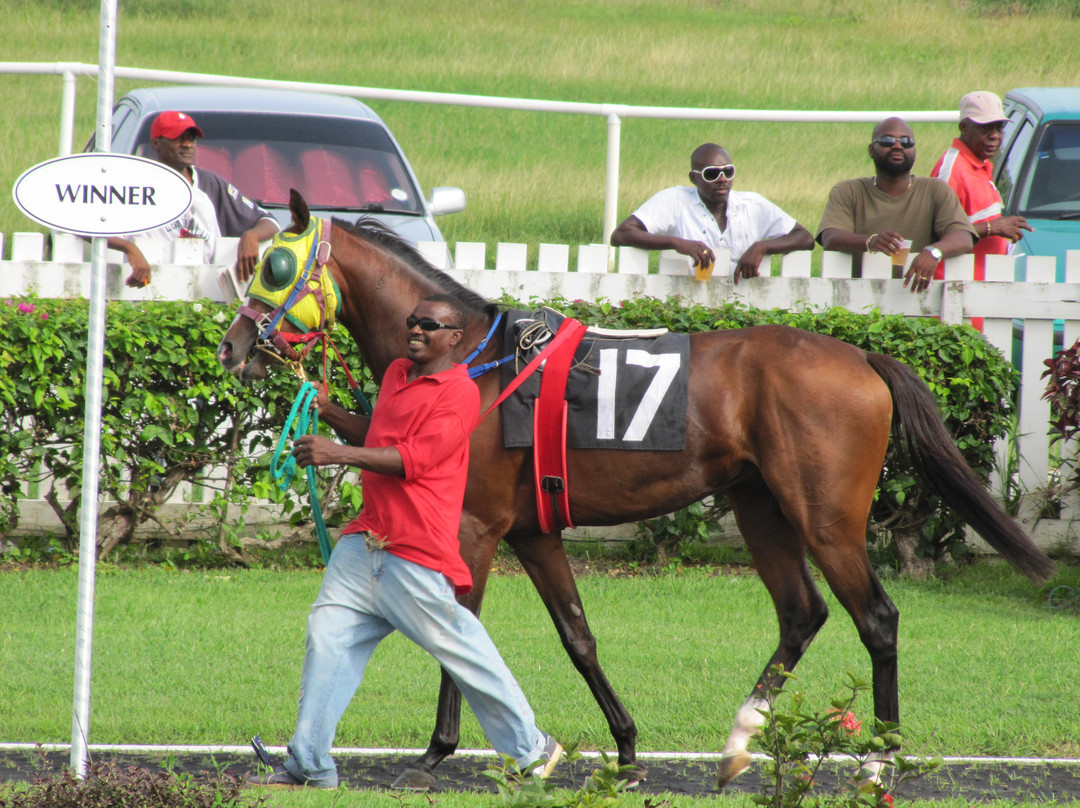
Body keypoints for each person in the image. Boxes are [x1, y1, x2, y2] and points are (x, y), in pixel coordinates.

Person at [247, 293, 562, 789]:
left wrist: (339, 455)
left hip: (416, 551)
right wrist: (329, 412)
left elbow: (413, 459)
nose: (415, 330)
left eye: (429, 325)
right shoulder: (396, 373)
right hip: (364, 544)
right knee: (327, 639)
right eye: (413, 321)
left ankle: (530, 749)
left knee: (459, 646)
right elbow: (380, 434)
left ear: (454, 338)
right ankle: (309, 765)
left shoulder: (458, 394)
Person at [108, 111, 280, 288]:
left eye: (191, 138)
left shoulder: (210, 185)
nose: (187, 145)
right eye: (178, 138)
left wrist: (251, 236)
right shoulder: (135, 185)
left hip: (203, 297)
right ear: (156, 143)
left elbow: (268, 221)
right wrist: (130, 249)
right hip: (142, 296)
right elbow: (88, 224)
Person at [609, 142, 814, 282]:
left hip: (745, 305)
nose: (722, 178)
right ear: (693, 178)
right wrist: (676, 243)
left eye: (728, 171)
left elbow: (805, 238)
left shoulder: (752, 204)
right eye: (712, 173)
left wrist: (762, 247)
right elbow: (622, 234)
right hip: (686, 304)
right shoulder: (675, 200)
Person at [817, 117, 978, 293]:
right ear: (871, 150)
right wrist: (872, 241)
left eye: (906, 142)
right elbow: (831, 237)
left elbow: (963, 237)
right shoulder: (848, 191)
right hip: (859, 298)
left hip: (916, 299)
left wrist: (933, 252)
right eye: (887, 141)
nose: (898, 146)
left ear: (915, 151)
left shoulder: (935, 190)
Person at [930, 91, 1033, 326]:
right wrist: (993, 227)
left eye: (999, 128)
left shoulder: (982, 164)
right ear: (964, 128)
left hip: (979, 297)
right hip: (955, 303)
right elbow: (937, 235)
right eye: (986, 128)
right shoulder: (953, 168)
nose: (995, 136)